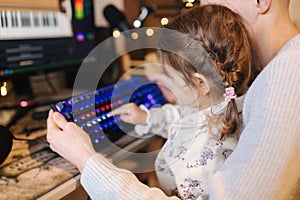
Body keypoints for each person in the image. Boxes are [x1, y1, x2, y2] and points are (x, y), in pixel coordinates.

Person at [46, 0, 300, 199]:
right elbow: (189, 120)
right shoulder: (256, 81)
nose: (202, 8)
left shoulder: (288, 74)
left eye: (211, 2)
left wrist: (86, 160)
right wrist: (152, 114)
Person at [107, 4, 257, 199]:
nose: (162, 80)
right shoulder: (217, 104)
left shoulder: (205, 158)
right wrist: (147, 117)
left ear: (200, 83)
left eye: (168, 75)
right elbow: (180, 117)